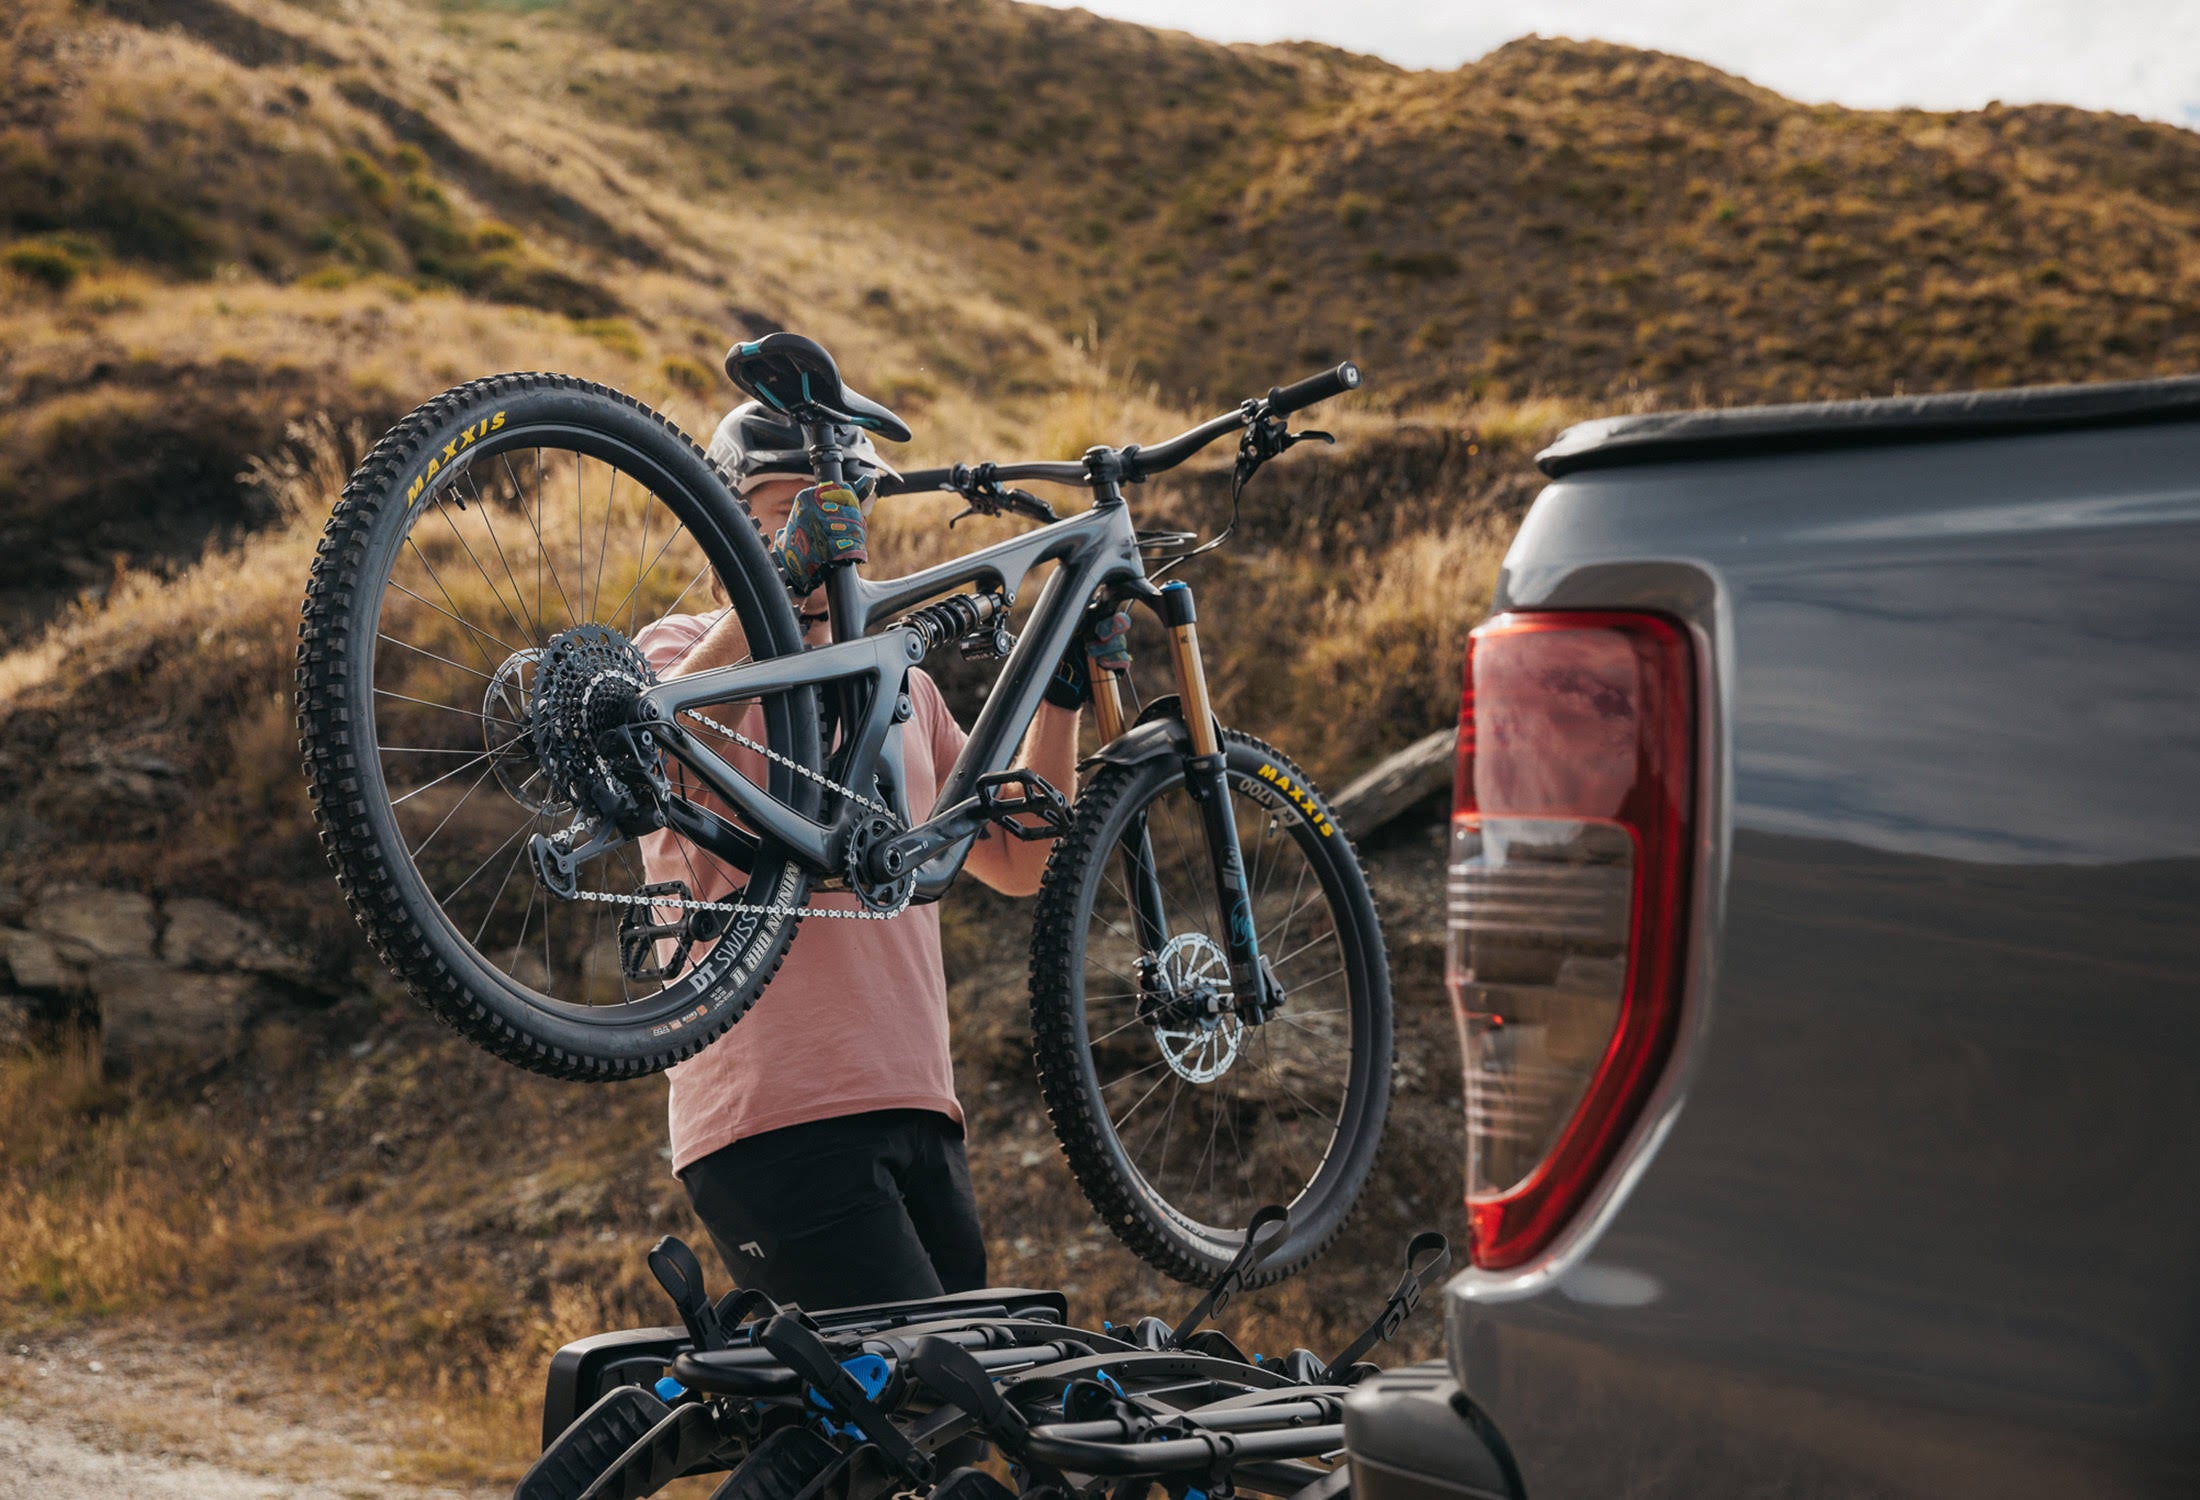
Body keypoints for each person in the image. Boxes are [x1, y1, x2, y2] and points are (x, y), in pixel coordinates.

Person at [632, 402, 1114, 1311]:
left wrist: (1061, 699)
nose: (816, 538)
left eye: (835, 515)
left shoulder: (908, 690)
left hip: (916, 1103)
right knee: (927, 1380)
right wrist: (776, 581)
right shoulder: (678, 650)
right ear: (727, 532)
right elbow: (652, 763)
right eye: (784, 518)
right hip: (773, 1110)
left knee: (936, 1390)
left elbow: (1018, 861)